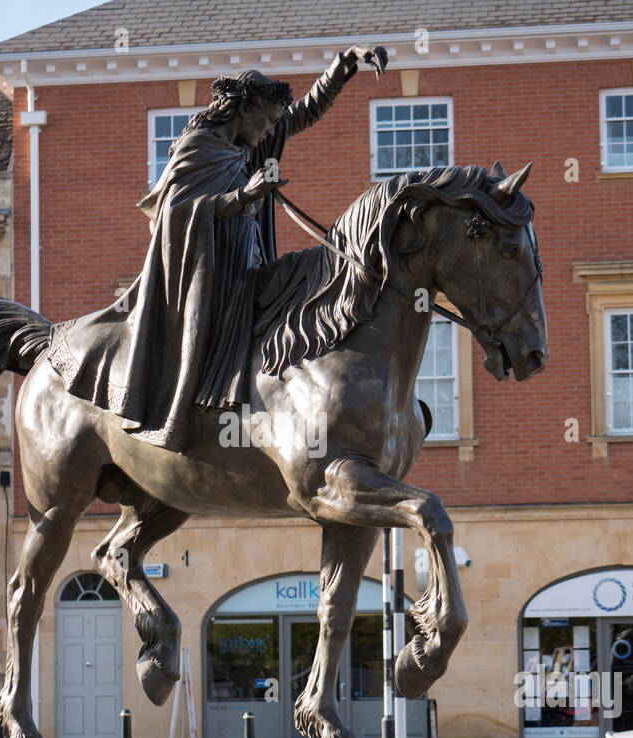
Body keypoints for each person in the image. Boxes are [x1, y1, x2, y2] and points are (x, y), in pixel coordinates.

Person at [48, 45, 387, 453]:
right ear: (246, 110)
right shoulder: (198, 147)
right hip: (209, 274)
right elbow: (174, 215)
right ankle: (194, 410)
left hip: (250, 260)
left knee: (313, 271)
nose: (271, 132)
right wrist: (245, 195)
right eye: (268, 121)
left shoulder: (249, 143)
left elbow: (306, 111)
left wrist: (344, 65)